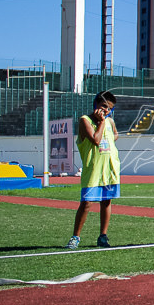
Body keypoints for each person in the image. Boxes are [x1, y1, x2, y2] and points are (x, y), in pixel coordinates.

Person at [66, 91, 120, 249]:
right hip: (93, 169)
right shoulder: (86, 120)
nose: (106, 111)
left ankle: (103, 236)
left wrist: (110, 137)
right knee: (87, 203)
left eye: (109, 109)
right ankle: (75, 236)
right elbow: (96, 140)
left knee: (106, 201)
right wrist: (101, 122)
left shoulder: (110, 122)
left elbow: (115, 134)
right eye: (103, 106)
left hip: (110, 168)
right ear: (95, 104)